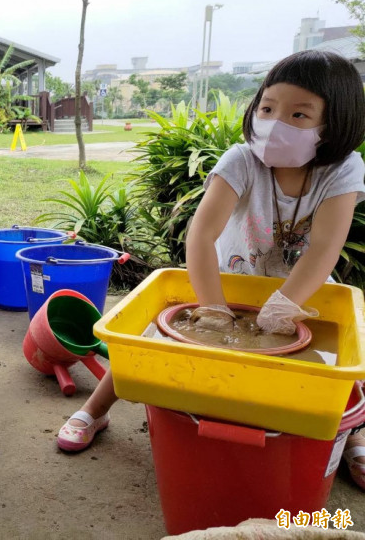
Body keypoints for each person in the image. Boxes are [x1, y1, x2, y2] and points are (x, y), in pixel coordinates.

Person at [56, 50, 365, 493]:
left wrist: (284, 306)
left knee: (340, 368)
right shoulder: (242, 160)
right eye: (267, 108)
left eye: (299, 114)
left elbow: (324, 248)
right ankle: (94, 410)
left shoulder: (342, 169)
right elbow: (201, 236)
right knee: (154, 344)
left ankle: (352, 433)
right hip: (224, 279)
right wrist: (214, 306)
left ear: (334, 124)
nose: (275, 123)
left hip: (303, 290)